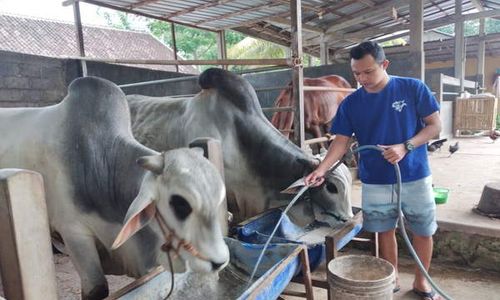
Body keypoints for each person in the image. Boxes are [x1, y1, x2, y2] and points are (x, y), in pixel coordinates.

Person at [304, 41, 442, 300]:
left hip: (414, 174)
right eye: (356, 73)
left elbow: (435, 126)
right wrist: (321, 169)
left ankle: (422, 282)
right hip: (375, 178)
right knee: (383, 230)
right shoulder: (351, 103)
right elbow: (340, 142)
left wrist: (406, 146)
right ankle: (392, 279)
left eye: (368, 72)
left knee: (423, 229)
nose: (362, 78)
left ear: (384, 65)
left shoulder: (412, 88)